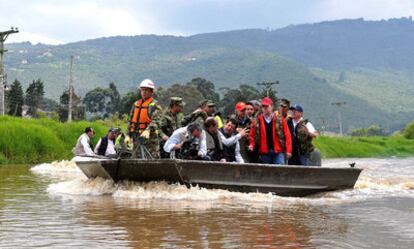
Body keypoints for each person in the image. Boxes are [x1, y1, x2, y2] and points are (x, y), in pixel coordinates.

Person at [249, 97, 292, 165]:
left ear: (272, 106)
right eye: (263, 106)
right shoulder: (257, 120)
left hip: (278, 151)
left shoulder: (280, 120)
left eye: (267, 106)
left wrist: (289, 150)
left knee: (280, 171)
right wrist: (252, 145)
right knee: (267, 173)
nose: (265, 108)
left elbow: (287, 135)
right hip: (264, 152)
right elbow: (252, 135)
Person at [128, 78, 163, 159]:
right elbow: (130, 121)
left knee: (152, 160)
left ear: (151, 92)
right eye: (142, 90)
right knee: (136, 160)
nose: (144, 92)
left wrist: (148, 130)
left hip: (150, 139)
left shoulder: (155, 105)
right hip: (136, 138)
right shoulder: (136, 104)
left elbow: (156, 121)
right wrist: (128, 135)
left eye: (146, 90)